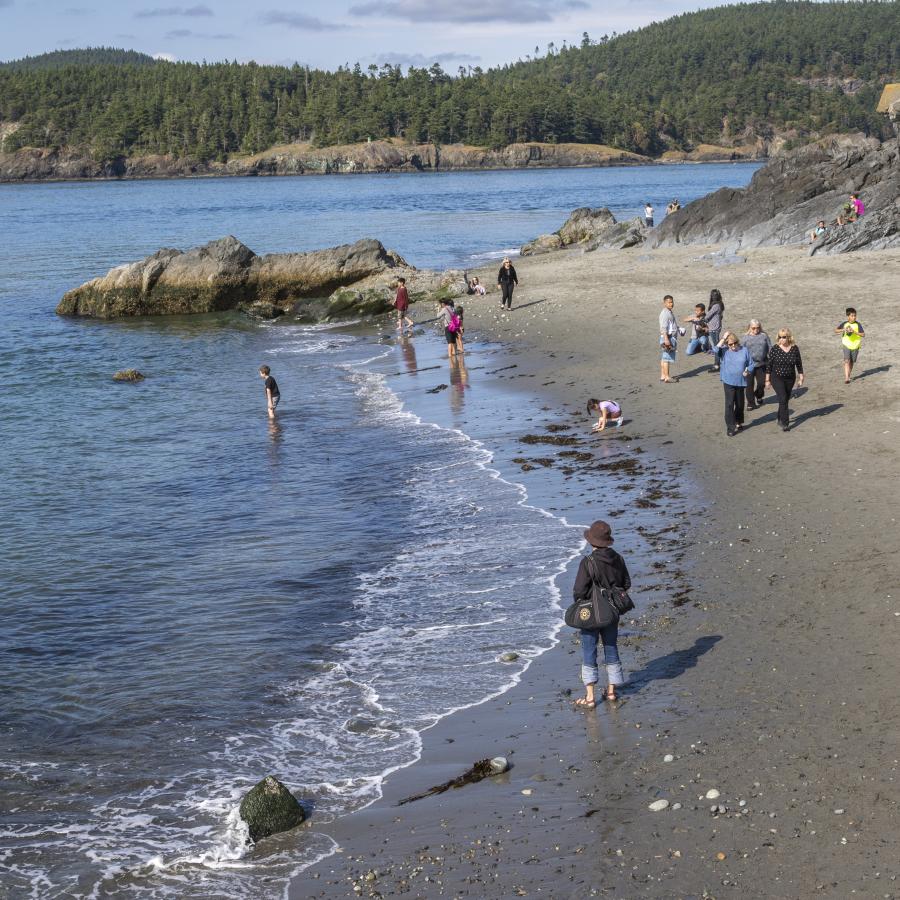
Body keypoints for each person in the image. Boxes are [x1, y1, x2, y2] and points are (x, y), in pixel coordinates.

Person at [572, 520, 631, 707]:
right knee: (611, 647)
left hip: (592, 614)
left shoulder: (587, 562)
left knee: (589, 651)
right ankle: (611, 691)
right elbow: (626, 584)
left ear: (591, 541)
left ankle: (590, 697)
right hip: (612, 612)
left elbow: (579, 591)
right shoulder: (618, 558)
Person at [765, 328, 805, 432]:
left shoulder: (794, 348)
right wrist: (767, 380)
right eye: (780, 337)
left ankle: (779, 417)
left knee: (785, 400)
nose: (781, 339)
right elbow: (769, 365)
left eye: (784, 337)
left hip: (790, 378)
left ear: (789, 337)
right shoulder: (775, 348)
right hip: (776, 377)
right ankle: (785, 423)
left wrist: (801, 377)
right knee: (783, 398)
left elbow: (799, 363)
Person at [716, 331, 754, 436]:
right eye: (730, 344)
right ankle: (730, 427)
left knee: (740, 404)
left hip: (741, 381)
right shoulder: (724, 351)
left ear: (738, 341)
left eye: (735, 343)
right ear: (727, 344)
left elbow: (751, 364)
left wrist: (747, 371)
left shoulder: (744, 350)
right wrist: (724, 338)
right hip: (728, 381)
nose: (733, 346)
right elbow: (715, 349)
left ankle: (738, 422)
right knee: (729, 404)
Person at [742, 319, 772, 409]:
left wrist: (772, 359)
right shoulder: (745, 338)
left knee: (761, 383)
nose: (756, 330)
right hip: (749, 365)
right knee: (749, 385)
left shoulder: (764, 336)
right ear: (749, 327)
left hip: (762, 364)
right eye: (753, 328)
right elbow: (741, 352)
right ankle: (750, 403)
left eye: (758, 328)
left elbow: (770, 348)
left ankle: (758, 395)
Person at [835, 306, 865, 384]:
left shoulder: (858, 324)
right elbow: (836, 330)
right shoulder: (845, 324)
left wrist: (854, 332)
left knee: (852, 362)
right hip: (846, 344)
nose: (854, 317)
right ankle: (847, 378)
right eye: (852, 316)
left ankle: (848, 374)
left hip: (855, 346)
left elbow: (863, 334)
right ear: (848, 316)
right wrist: (844, 329)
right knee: (846, 360)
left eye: (855, 315)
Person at [658, 294, 678, 383]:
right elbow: (663, 328)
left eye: (672, 302)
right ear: (664, 303)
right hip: (667, 338)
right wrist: (666, 340)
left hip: (667, 337)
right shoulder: (665, 313)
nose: (671, 304)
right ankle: (667, 377)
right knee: (667, 358)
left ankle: (663, 375)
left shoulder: (668, 312)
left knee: (664, 357)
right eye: (669, 302)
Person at [705, 289, 725, 371]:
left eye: (715, 295)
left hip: (714, 328)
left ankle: (717, 365)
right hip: (715, 327)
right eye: (713, 295)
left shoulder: (716, 305)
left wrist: (699, 320)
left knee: (716, 346)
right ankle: (718, 363)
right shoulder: (719, 304)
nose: (714, 297)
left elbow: (708, 316)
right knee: (716, 346)